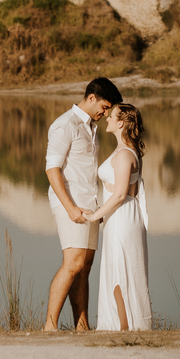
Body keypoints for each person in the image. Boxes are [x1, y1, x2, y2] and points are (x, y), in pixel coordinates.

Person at [42, 77, 122, 331]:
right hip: (70, 204)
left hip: (90, 206)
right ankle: (49, 327)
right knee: (73, 262)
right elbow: (52, 169)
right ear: (91, 98)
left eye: (108, 109)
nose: (106, 112)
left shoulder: (90, 127)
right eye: (104, 106)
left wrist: (96, 209)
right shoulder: (64, 124)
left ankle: (82, 326)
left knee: (85, 266)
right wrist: (70, 208)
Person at [84, 104, 152, 330]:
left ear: (121, 123)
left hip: (123, 218)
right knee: (118, 269)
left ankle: (125, 328)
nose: (107, 119)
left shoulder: (124, 154)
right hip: (120, 217)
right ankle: (123, 327)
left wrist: (95, 216)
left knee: (121, 271)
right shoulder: (124, 150)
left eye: (111, 117)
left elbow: (121, 193)